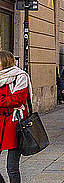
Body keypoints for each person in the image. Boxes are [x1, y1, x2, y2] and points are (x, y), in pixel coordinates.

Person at [0, 50, 32, 183]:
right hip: (1, 122)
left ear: (5, 62)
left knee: (11, 167)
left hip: (14, 124)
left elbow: (17, 100)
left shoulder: (20, 76)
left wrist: (3, 101)